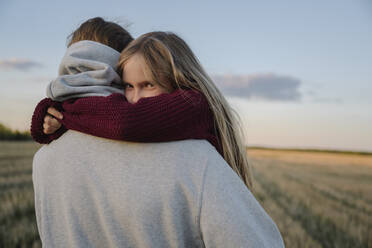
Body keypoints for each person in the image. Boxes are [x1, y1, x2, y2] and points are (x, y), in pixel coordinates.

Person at [32, 18, 285, 247]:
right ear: (118, 71)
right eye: (129, 85)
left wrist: (60, 108)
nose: (137, 99)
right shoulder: (194, 159)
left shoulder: (43, 160)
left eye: (148, 84)